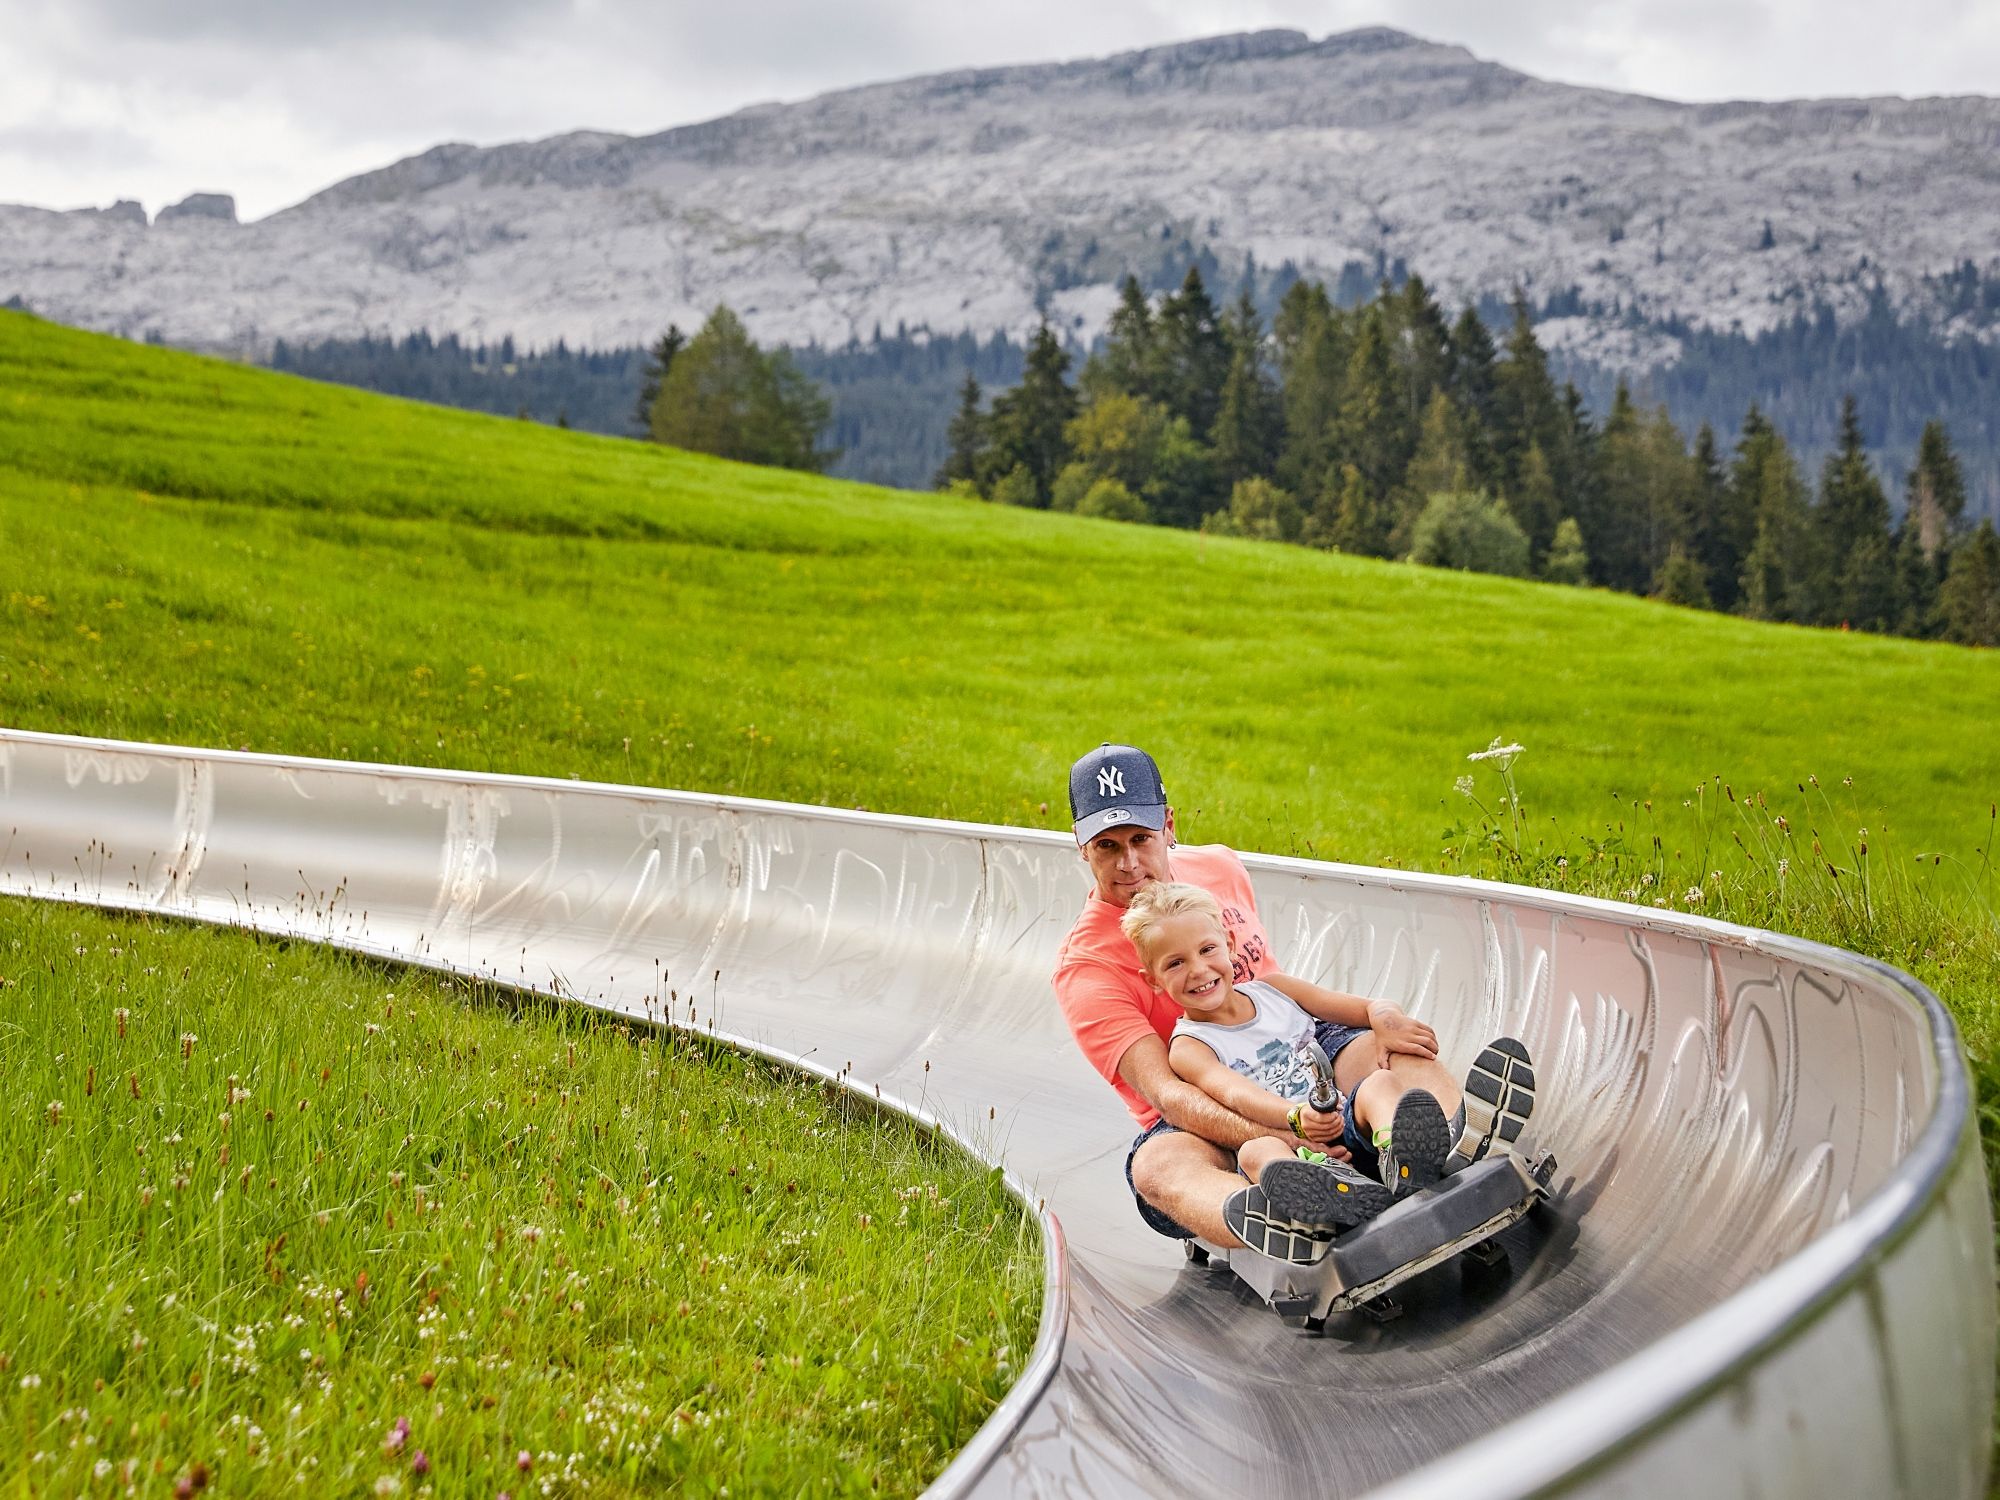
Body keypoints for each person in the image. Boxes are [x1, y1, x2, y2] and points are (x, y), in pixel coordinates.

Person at [1052, 742, 1535, 1262]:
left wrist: (1381, 1015)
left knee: (1391, 1054)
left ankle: (1446, 1150)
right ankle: (1292, 1217)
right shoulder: (1086, 969)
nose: (1129, 863)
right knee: (1157, 1167)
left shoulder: (1219, 869)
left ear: (1168, 824)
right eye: (1106, 846)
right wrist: (1287, 1130)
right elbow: (1171, 1096)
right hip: (1208, 1109)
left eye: (1141, 839)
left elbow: (1287, 993)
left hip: (1296, 1051)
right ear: (1082, 847)